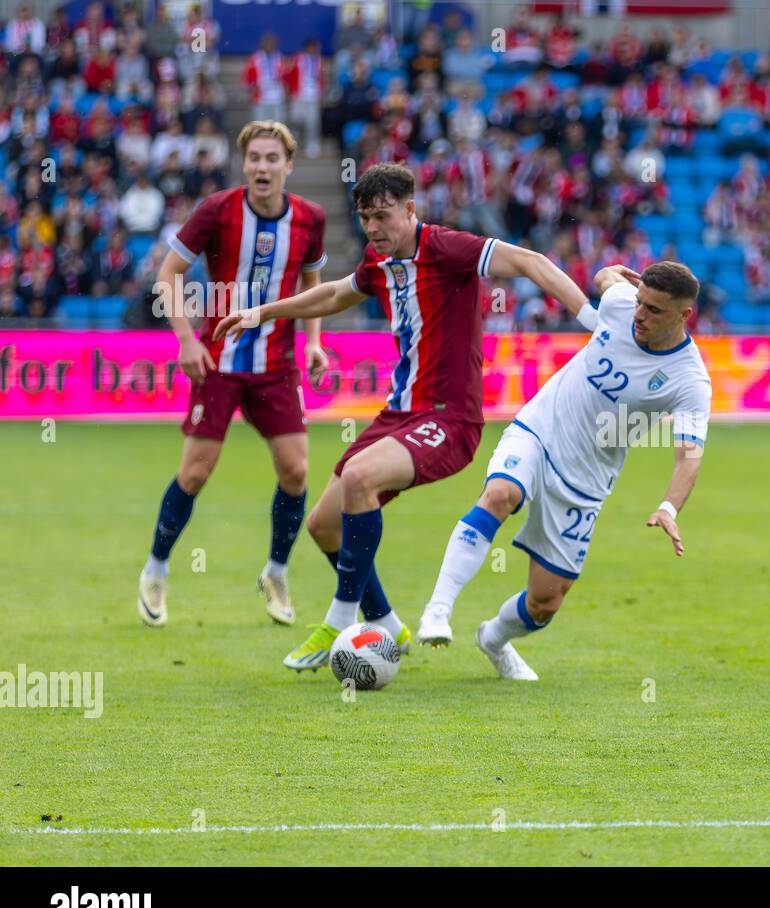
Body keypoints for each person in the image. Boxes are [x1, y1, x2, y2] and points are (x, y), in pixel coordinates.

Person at [212, 163, 593, 670]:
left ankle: (340, 621)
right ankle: (388, 624)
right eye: (366, 217)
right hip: (400, 413)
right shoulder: (378, 262)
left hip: (450, 418)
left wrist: (592, 319)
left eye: (383, 216)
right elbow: (331, 294)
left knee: (360, 478)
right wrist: (262, 313)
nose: (373, 228)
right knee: (325, 525)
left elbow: (528, 260)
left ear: (410, 210)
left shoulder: (445, 248)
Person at [416, 262, 711, 680]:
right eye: (640, 302)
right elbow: (607, 281)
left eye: (654, 310)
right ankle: (438, 609)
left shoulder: (689, 380)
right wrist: (609, 273)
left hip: (587, 478)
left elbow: (689, 456)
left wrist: (669, 507)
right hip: (542, 428)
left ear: (684, 316)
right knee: (501, 494)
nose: (640, 315)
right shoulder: (621, 304)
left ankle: (494, 639)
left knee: (545, 602)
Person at [138, 121, 329, 629]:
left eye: (272, 159)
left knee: (297, 471)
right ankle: (156, 571)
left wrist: (314, 342)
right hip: (217, 362)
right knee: (196, 473)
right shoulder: (217, 211)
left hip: (277, 365)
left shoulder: (311, 219)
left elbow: (313, 286)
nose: (262, 167)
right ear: (244, 164)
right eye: (255, 159)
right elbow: (167, 276)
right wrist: (184, 339)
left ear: (288, 165)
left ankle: (276, 572)